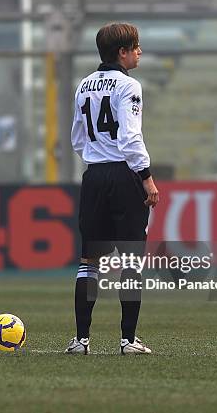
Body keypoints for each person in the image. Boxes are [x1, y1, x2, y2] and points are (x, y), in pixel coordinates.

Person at [66, 22, 159, 355]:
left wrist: (97, 158)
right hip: (124, 176)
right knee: (131, 260)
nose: (139, 52)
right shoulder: (129, 86)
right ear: (122, 52)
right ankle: (128, 340)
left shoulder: (84, 85)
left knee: (88, 261)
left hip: (94, 176)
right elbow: (131, 137)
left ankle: (81, 340)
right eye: (135, 46)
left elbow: (77, 138)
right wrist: (146, 177)